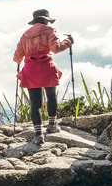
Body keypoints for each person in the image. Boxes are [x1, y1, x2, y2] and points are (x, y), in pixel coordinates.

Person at [13, 9, 74, 145]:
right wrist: (68, 41)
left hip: (31, 70)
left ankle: (38, 135)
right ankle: (52, 125)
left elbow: (17, 56)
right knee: (51, 96)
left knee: (35, 104)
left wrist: (19, 61)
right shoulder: (49, 30)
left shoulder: (25, 35)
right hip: (47, 67)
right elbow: (56, 48)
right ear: (46, 20)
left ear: (34, 21)